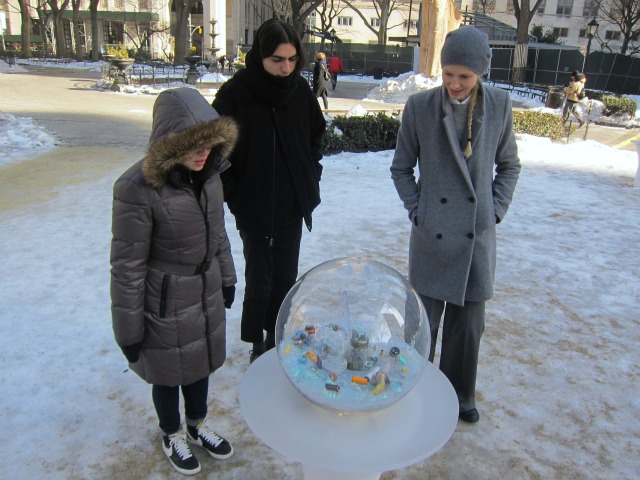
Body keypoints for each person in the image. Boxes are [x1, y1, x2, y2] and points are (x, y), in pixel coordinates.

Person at [390, 26, 521, 424]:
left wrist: (493, 210)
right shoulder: (420, 107)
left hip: (476, 238)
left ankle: (459, 396)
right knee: (422, 325)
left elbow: (510, 165)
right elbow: (400, 169)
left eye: (463, 76)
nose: (454, 83)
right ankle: (413, 389)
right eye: (448, 73)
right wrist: (419, 211)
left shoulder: (499, 105)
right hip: (432, 235)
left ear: (481, 72)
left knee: (468, 330)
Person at [110, 88, 239, 475]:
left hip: (205, 289)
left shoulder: (211, 176)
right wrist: (128, 332)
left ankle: (197, 425)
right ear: (169, 144)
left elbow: (218, 234)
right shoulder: (136, 189)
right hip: (164, 296)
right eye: (192, 146)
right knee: (168, 371)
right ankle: (171, 432)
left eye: (209, 143)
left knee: (200, 364)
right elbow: (126, 265)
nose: (203, 153)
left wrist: (227, 278)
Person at [211, 19, 326, 364]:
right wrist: (237, 194)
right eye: (278, 59)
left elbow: (315, 138)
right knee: (260, 277)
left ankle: (278, 335)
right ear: (260, 55)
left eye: (292, 59)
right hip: (255, 207)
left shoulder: (300, 92)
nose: (286, 68)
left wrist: (310, 175)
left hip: (292, 205)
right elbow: (216, 155)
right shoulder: (235, 95)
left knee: (286, 276)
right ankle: (257, 339)